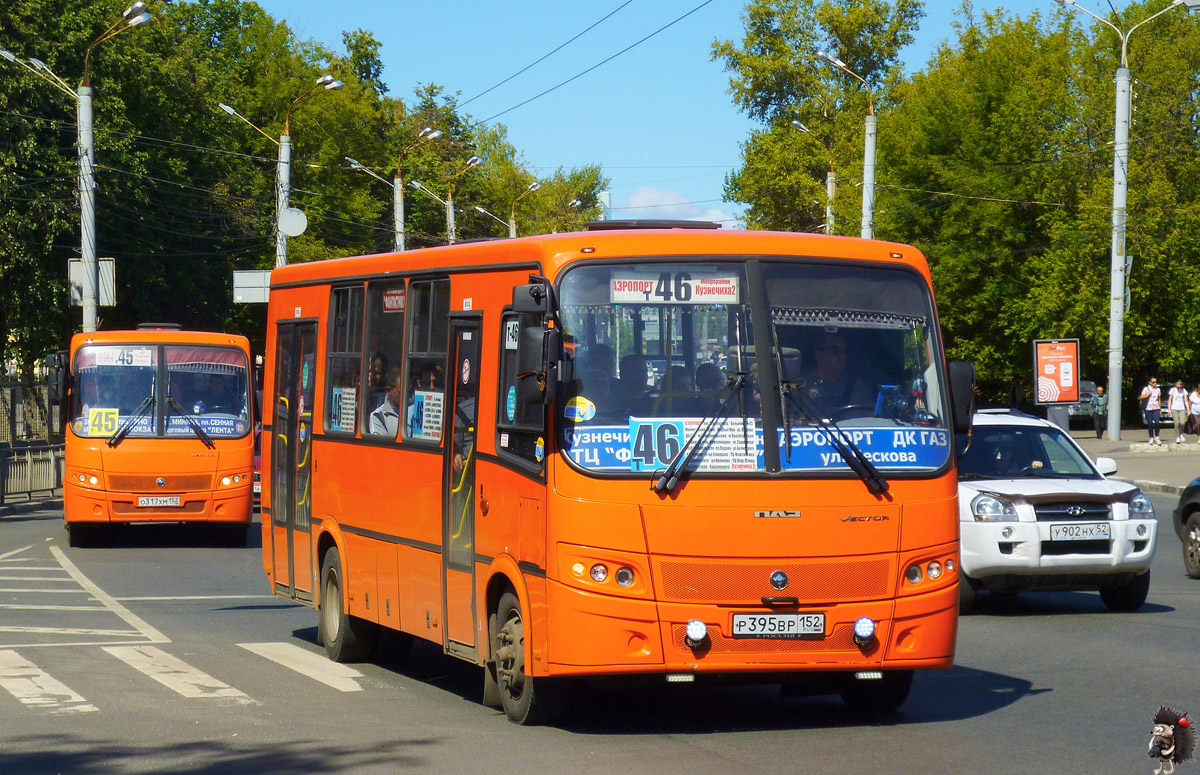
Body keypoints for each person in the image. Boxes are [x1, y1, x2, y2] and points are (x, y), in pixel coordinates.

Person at [802, 331, 873, 418]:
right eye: (834, 351)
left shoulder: (857, 385)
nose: (842, 356)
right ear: (818, 354)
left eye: (844, 351)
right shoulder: (803, 386)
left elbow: (871, 418)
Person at [368, 366, 404, 437]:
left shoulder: (412, 411)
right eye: (400, 393)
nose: (406, 397)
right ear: (388, 390)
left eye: (408, 392)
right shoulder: (378, 416)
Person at [1140, 377, 1162, 445]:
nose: (1154, 383)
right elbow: (1141, 397)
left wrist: (1160, 409)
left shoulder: (1158, 389)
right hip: (1148, 408)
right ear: (1149, 382)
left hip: (1156, 408)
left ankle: (1157, 436)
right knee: (1150, 423)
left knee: (1157, 422)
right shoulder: (1146, 389)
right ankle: (1151, 437)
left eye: (1156, 382)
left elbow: (1159, 399)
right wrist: (1147, 395)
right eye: (1153, 382)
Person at [1168, 379, 1189, 444]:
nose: (1179, 387)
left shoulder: (1183, 390)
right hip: (1174, 408)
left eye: (1180, 385)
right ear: (1176, 385)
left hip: (1182, 408)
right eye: (1178, 385)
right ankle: (1177, 436)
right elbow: (1170, 400)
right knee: (1176, 423)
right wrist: (1169, 409)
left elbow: (1185, 400)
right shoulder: (1173, 390)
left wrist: (1188, 410)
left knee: (1182, 422)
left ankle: (1181, 434)